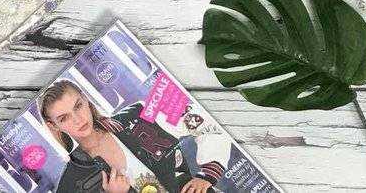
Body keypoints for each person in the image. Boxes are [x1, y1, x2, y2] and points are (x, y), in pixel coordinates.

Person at [39, 80, 228, 193]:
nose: (78, 119)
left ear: (86, 99)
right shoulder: (72, 182)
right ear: (53, 125)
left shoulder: (138, 116)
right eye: (64, 118)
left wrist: (208, 174)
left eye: (78, 106)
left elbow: (204, 122)